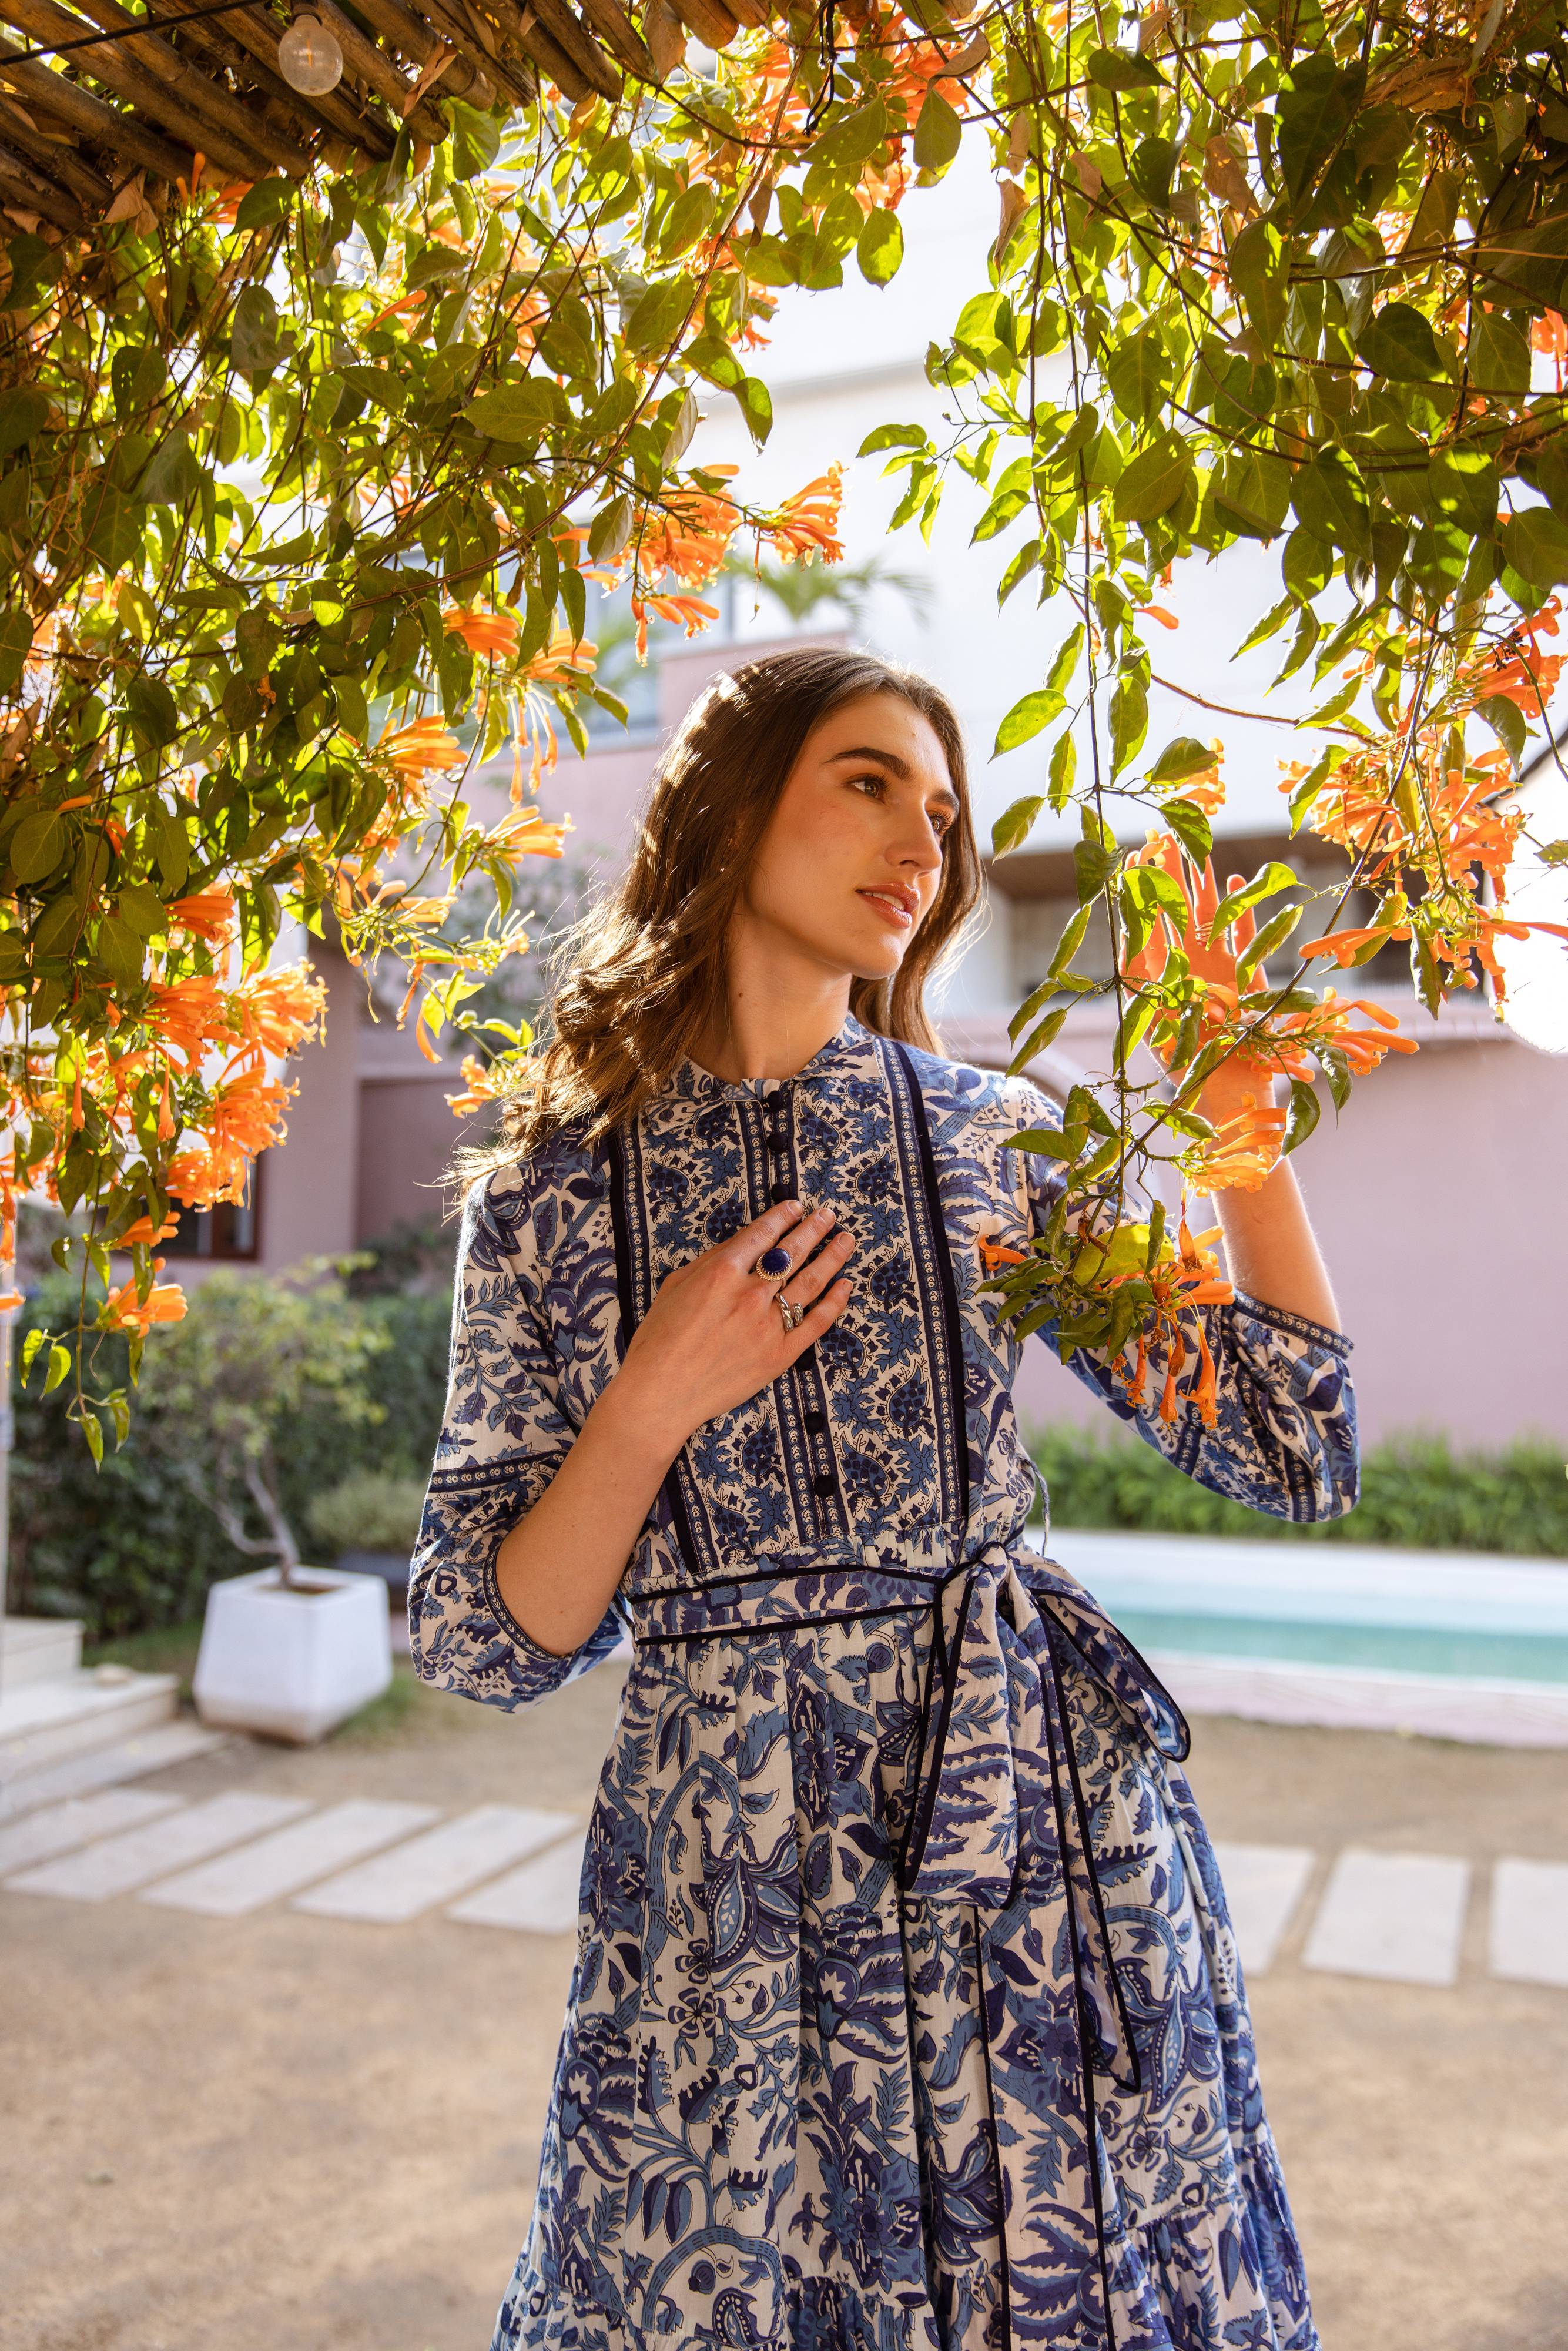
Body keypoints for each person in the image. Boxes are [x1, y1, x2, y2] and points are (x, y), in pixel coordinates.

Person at [409, 645, 1357, 2351]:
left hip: (1034, 1859)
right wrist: (647, 1407)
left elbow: (1291, 1447)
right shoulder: (548, 1199)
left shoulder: (992, 1144)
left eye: (943, 811)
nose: (923, 843)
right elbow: (483, 1640)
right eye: (866, 782)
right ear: (724, 808)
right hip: (728, 1885)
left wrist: (1239, 1138)